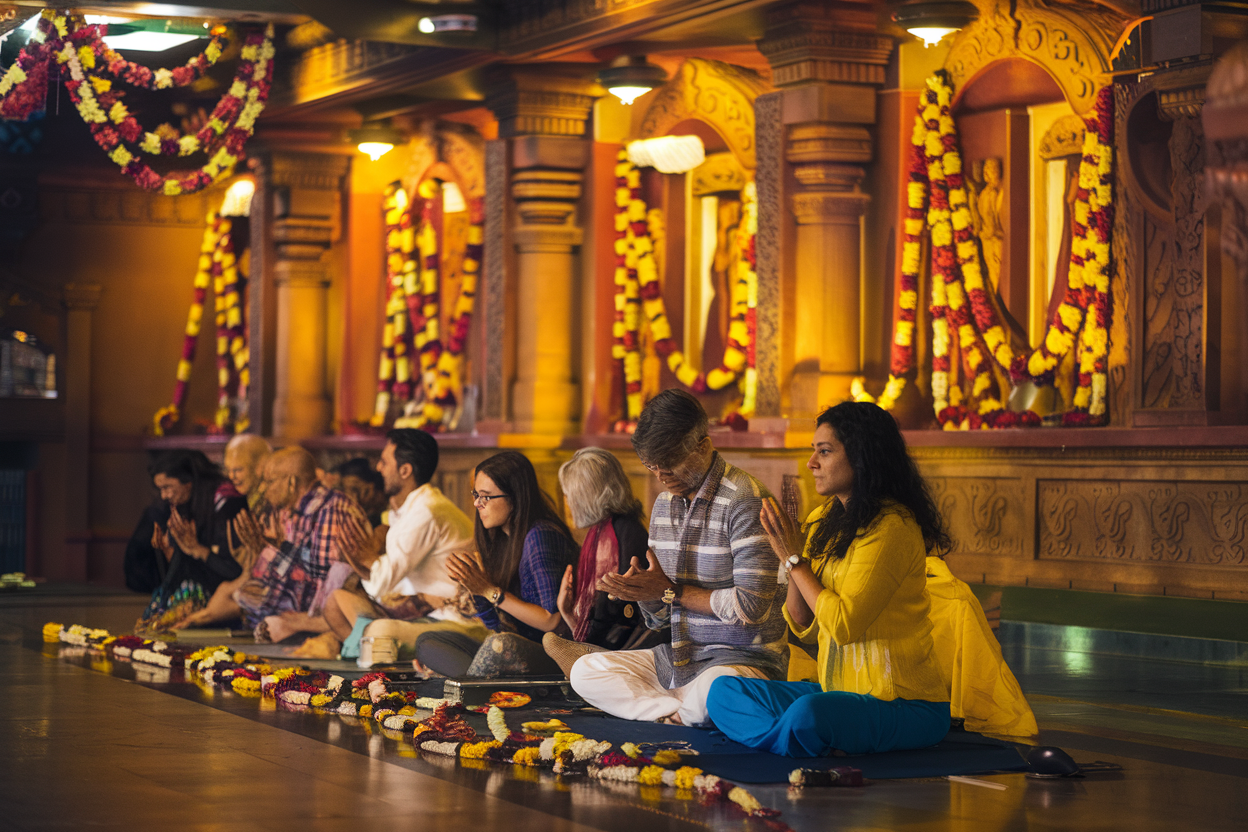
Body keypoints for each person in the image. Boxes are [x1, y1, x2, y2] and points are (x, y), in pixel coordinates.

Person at [705, 401, 953, 757]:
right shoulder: (824, 519)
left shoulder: (893, 527)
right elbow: (802, 622)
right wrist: (791, 558)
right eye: (813, 452)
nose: (812, 463)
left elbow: (844, 626)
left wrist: (794, 559)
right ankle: (793, 739)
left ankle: (789, 736)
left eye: (824, 451)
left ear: (862, 456)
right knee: (724, 692)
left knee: (809, 714)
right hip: (836, 691)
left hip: (903, 703)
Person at [568, 390, 787, 726]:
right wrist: (644, 595)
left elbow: (751, 607)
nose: (661, 475)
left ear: (703, 445)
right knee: (585, 672)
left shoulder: (745, 500)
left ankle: (680, 711)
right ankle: (678, 715)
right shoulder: (663, 506)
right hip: (679, 663)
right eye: (652, 465)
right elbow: (659, 621)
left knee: (714, 692)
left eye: (669, 461)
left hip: (742, 663)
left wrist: (671, 592)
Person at [306, 429, 474, 659]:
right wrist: (362, 562)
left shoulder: (426, 511)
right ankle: (368, 651)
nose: (378, 468)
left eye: (385, 462)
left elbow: (381, 585)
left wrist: (367, 558)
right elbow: (382, 588)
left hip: (448, 618)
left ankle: (370, 652)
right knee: (334, 602)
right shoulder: (408, 509)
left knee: (378, 631)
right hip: (414, 609)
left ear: (405, 471)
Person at [411, 450, 578, 678]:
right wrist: (475, 587)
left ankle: (473, 687)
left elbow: (551, 621)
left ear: (515, 497)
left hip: (550, 655)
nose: (478, 503)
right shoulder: (501, 539)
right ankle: (476, 681)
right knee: (428, 642)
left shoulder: (540, 534)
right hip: (512, 647)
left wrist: (489, 591)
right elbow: (496, 626)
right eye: (475, 494)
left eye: (486, 496)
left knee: (498, 647)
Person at [542, 447, 664, 675]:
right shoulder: (597, 534)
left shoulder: (624, 533)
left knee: (549, 641)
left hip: (625, 653)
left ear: (588, 495)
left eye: (569, 494)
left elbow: (616, 619)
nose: (566, 501)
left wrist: (573, 627)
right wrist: (567, 612)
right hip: (605, 647)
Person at [233, 446, 370, 642]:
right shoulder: (295, 511)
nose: (264, 489)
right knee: (241, 595)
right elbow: (284, 574)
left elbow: (329, 583)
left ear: (291, 482)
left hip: (327, 624)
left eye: (269, 481)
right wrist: (263, 551)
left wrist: (294, 622)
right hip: (299, 616)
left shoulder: (330, 510)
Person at [124, 450, 248, 630]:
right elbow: (183, 568)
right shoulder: (188, 505)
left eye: (167, 487)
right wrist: (170, 550)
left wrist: (198, 551)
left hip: (231, 601)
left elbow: (236, 571)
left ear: (189, 482)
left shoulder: (227, 502)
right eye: (160, 489)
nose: (164, 496)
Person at [176, 434, 274, 629]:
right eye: (229, 470)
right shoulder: (248, 500)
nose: (232, 477)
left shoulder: (270, 503)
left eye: (238, 470)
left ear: (261, 466)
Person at [335, 457, 388, 527]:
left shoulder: (390, 511)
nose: (354, 497)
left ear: (371, 487)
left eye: (356, 490)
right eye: (347, 490)